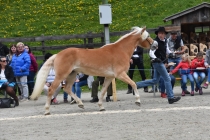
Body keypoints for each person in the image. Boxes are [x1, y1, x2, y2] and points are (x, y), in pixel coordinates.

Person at [136, 27, 181, 104]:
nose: (161, 35)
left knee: (155, 80)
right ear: (157, 34)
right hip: (157, 63)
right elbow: (151, 53)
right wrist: (156, 58)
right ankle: (170, 97)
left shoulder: (165, 41)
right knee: (167, 78)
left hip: (160, 62)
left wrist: (172, 53)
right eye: (160, 33)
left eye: (163, 33)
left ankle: (136, 85)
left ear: (165, 34)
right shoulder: (155, 42)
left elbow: (167, 50)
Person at [167, 30, 190, 95]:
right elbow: (166, 50)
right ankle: (170, 90)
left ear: (176, 34)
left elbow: (183, 49)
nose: (174, 35)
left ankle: (184, 89)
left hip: (178, 57)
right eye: (172, 34)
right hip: (171, 58)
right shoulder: (168, 40)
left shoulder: (179, 40)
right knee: (170, 73)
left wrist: (179, 52)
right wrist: (170, 53)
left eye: (175, 34)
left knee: (181, 73)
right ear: (171, 34)